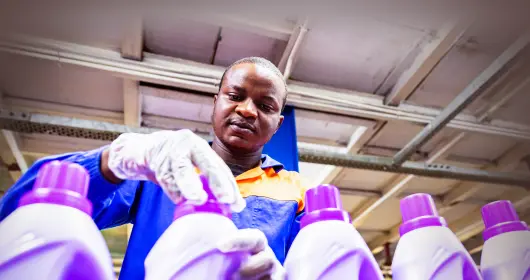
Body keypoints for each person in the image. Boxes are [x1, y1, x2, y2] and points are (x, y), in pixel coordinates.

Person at [0, 57, 307, 280]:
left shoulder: (295, 191)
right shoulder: (160, 170)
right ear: (216, 102)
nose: (246, 110)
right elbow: (17, 214)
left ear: (279, 124)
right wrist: (110, 162)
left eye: (265, 106)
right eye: (235, 96)